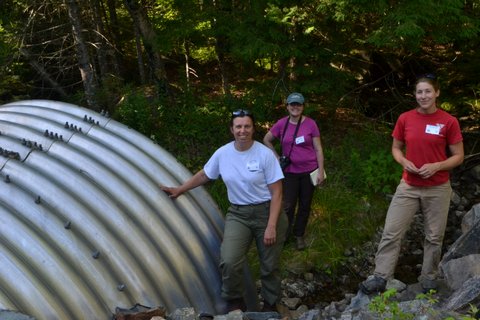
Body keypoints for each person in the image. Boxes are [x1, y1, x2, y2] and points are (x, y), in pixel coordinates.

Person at [161, 109, 288, 313]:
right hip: (239, 214)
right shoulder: (223, 153)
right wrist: (180, 189)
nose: (243, 130)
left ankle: (271, 305)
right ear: (232, 129)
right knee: (229, 259)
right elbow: (205, 175)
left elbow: (278, 192)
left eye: (247, 126)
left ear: (253, 129)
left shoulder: (265, 155)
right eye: (238, 126)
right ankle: (236, 302)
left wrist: (271, 225)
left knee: (269, 264)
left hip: (267, 212)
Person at [360, 74, 464, 295]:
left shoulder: (449, 121)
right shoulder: (405, 118)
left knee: (434, 236)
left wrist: (437, 166)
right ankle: (381, 276)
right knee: (391, 231)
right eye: (419, 92)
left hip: (437, 187)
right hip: (408, 185)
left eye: (428, 91)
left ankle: (428, 277)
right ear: (415, 95)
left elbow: (459, 156)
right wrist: (403, 161)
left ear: (437, 93)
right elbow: (396, 148)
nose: (423, 96)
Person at [263, 92, 325, 250]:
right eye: (292, 104)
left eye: (298, 104)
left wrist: (320, 170)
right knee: (288, 206)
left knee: (305, 205)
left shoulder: (311, 124)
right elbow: (266, 139)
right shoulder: (281, 124)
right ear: (287, 106)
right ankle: (283, 235)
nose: (295, 107)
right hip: (289, 172)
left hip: (309, 171)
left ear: (303, 107)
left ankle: (299, 235)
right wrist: (276, 156)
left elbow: (318, 149)